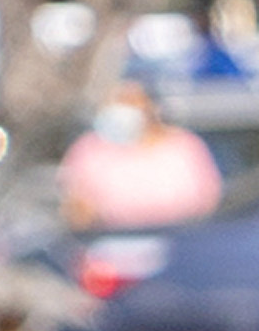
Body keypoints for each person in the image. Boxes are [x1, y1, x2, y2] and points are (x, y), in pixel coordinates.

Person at [59, 72, 227, 234]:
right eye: (116, 102)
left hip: (182, 239)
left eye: (130, 101)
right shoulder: (90, 149)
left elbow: (209, 200)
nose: (121, 108)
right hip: (113, 243)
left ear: (150, 106)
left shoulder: (185, 146)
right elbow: (76, 209)